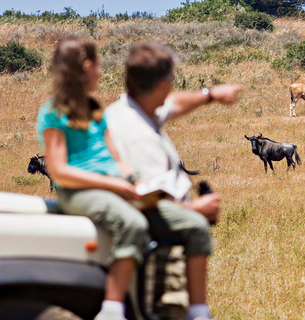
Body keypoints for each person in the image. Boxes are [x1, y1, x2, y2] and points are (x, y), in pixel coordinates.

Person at [105, 42, 243, 320]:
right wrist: (195, 210)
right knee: (195, 230)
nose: (172, 86)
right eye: (170, 79)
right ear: (161, 84)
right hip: (154, 226)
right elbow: (145, 195)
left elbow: (174, 104)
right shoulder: (135, 134)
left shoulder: (130, 108)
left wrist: (210, 95)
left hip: (155, 215)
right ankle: (198, 312)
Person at [36, 37, 148, 320]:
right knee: (132, 223)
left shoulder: (96, 108)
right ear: (87, 67)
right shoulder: (54, 112)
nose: (101, 72)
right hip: (79, 190)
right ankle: (111, 310)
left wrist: (135, 179)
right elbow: (59, 171)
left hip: (108, 185)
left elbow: (116, 157)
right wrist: (116, 184)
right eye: (98, 65)